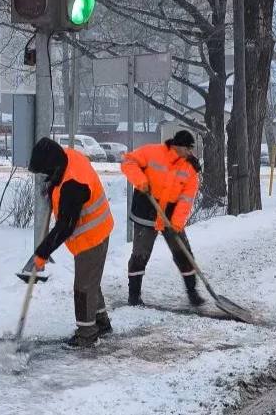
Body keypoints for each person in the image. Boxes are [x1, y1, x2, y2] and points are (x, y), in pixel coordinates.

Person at [18, 137, 114, 348]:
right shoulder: (68, 155)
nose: (45, 177)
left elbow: (65, 226)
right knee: (91, 280)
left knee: (83, 287)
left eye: (46, 172)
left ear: (53, 165)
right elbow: (59, 179)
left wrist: (42, 252)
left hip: (92, 235)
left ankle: (87, 333)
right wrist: (52, 186)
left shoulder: (74, 185)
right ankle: (101, 322)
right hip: (98, 227)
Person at [121, 130, 205, 308]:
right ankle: (134, 296)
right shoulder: (152, 152)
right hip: (146, 210)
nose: (190, 152)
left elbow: (186, 199)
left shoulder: (190, 169)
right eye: (188, 149)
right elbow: (128, 162)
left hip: (171, 217)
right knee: (139, 256)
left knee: (184, 254)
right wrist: (140, 179)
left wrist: (176, 223)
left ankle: (193, 293)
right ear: (177, 145)